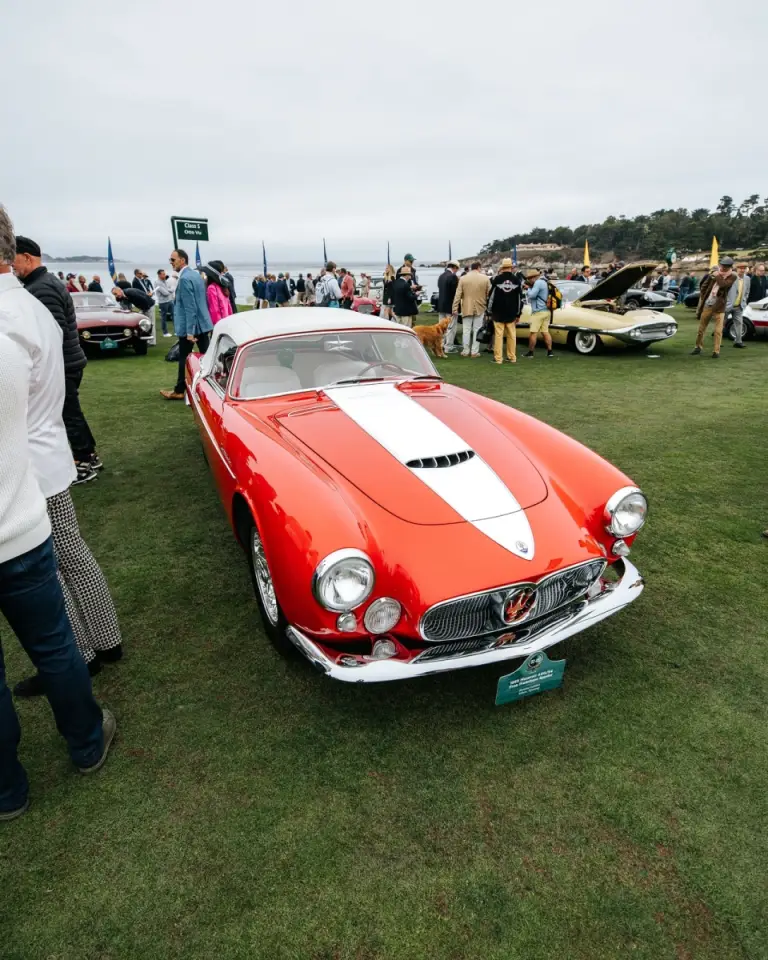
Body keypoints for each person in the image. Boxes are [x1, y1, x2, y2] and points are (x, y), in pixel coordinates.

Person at [0, 233, 124, 697]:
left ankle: (82, 655)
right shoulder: (32, 306)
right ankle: (104, 640)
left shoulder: (11, 313)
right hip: (45, 444)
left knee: (49, 563)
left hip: (24, 455)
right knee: (70, 551)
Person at [0, 329, 115, 820]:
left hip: (23, 509)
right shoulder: (7, 345)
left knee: (55, 643)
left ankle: (7, 790)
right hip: (19, 519)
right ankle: (87, 741)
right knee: (54, 644)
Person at [13, 235, 98, 483]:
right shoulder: (46, 283)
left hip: (62, 363)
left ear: (27, 257)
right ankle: (88, 455)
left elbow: (52, 332)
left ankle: (83, 462)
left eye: (13, 260)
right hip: (68, 360)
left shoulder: (42, 288)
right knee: (71, 412)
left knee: (66, 414)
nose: (12, 267)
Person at [160, 249, 213, 400]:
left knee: (185, 357)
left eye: (172, 259)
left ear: (182, 260)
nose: (171, 262)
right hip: (202, 324)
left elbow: (190, 307)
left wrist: (190, 331)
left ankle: (179, 390)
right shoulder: (196, 275)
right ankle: (205, 387)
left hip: (192, 327)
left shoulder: (184, 279)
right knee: (207, 357)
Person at [691, 256, 737, 358]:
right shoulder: (713, 273)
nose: (724, 268)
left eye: (726, 266)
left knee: (718, 331)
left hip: (720, 307)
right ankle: (698, 347)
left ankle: (716, 351)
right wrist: (704, 296)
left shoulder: (732, 276)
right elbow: (704, 285)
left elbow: (723, 285)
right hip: (708, 304)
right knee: (701, 329)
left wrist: (717, 275)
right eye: (723, 266)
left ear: (730, 267)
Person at [452, 261, 491, 357]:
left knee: (466, 329)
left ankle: (465, 351)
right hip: (480, 307)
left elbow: (458, 295)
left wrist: (455, 307)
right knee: (477, 329)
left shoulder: (463, 278)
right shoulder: (485, 278)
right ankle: (474, 351)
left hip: (467, 307)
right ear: (479, 267)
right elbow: (489, 294)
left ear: (471, 268)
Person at [488, 258, 523, 364]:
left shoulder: (497, 279)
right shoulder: (517, 280)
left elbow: (491, 297)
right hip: (512, 312)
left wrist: (489, 311)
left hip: (498, 311)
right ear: (511, 268)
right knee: (512, 335)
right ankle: (512, 357)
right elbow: (519, 298)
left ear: (502, 268)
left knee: (499, 335)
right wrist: (518, 313)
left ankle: (498, 358)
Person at [523, 269, 554, 358]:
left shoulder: (537, 283)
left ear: (533, 278)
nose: (528, 280)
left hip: (538, 312)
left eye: (529, 278)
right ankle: (550, 351)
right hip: (546, 311)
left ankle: (531, 352)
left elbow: (532, 295)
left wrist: (528, 289)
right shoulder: (545, 282)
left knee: (533, 333)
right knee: (545, 332)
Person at [437, 260, 460, 353]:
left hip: (441, 305)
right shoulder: (453, 277)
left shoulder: (441, 276)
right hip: (450, 305)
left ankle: (441, 344)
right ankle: (448, 347)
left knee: (441, 327)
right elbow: (455, 293)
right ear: (454, 267)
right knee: (451, 327)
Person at [727, 263, 750, 349]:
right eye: (740, 268)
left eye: (744, 268)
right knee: (721, 323)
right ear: (737, 269)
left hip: (739, 306)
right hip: (728, 305)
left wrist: (744, 300)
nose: (742, 270)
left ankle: (738, 341)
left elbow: (747, 291)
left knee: (739, 323)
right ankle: (718, 341)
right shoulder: (731, 276)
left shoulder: (747, 279)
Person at [155, 268, 175, 336]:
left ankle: (177, 331)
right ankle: (165, 332)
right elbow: (165, 293)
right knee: (164, 317)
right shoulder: (157, 282)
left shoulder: (165, 281)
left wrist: (169, 290)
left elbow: (171, 289)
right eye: (163, 274)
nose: (164, 275)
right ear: (159, 275)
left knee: (174, 315)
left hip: (169, 300)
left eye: (164, 274)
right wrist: (169, 290)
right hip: (163, 302)